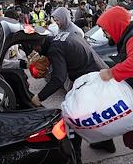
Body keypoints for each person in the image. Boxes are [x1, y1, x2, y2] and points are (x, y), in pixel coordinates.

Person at [29, 26, 116, 164]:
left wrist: (39, 97)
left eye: (35, 49)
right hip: (98, 73)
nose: (36, 52)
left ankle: (76, 158)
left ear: (39, 45)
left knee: (74, 118)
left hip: (90, 81)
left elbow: (59, 78)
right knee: (95, 113)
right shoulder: (63, 36)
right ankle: (106, 143)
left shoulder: (54, 49)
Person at [97, 6, 133, 164]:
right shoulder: (131, 34)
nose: (104, 34)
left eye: (105, 29)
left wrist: (111, 73)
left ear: (115, 26)